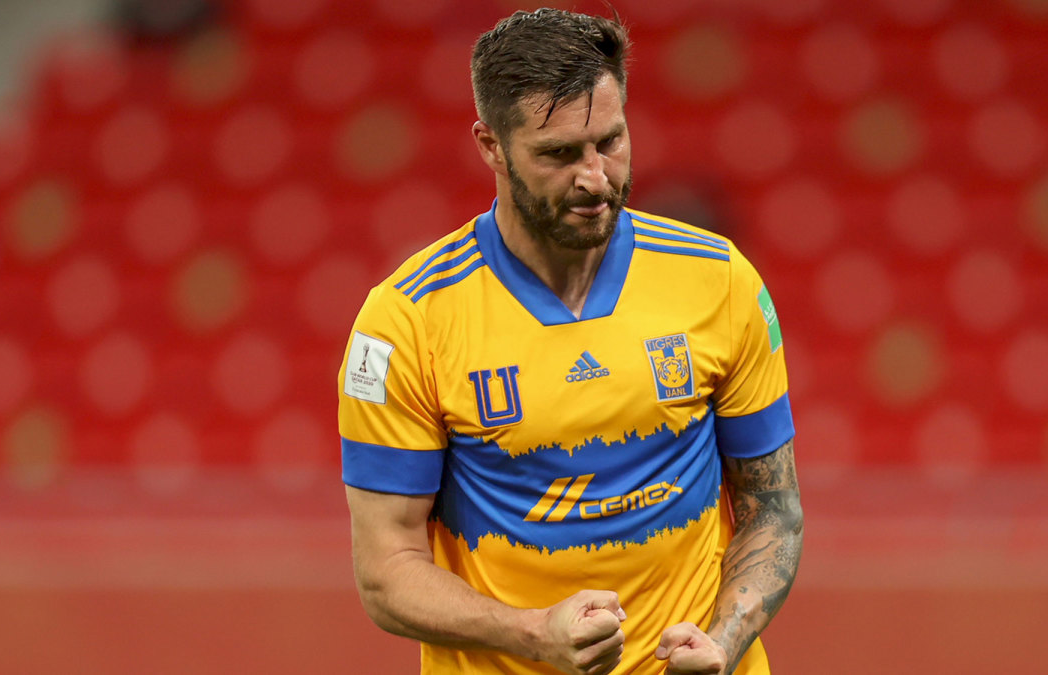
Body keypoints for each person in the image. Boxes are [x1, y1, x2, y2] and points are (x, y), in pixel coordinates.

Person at [337, 8, 803, 674]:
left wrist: (723, 643)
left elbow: (774, 510)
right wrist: (529, 632)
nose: (595, 178)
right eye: (558, 154)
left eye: (610, 141)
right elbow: (387, 571)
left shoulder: (720, 281)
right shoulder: (406, 322)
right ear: (491, 146)